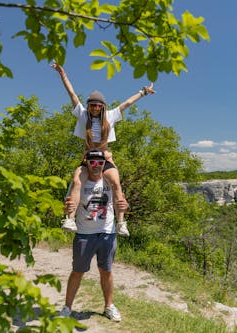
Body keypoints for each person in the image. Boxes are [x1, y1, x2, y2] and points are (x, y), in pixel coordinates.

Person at [52, 62, 155, 236]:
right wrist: (63, 74)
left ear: (102, 106)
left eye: (98, 105)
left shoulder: (109, 116)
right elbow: (72, 94)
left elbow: (127, 104)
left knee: (115, 182)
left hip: (104, 157)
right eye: (92, 105)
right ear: (89, 105)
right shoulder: (83, 115)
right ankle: (70, 219)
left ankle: (121, 222)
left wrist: (143, 92)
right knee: (77, 181)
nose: (95, 108)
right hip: (88, 158)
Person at [59, 149, 129, 321]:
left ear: (104, 164)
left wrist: (124, 206)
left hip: (107, 233)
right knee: (77, 271)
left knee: (106, 271)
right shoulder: (79, 183)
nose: (96, 166)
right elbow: (68, 205)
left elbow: (121, 202)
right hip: (85, 234)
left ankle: (109, 306)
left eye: (100, 162)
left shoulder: (110, 181)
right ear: (87, 163)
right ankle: (67, 308)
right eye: (92, 162)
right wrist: (67, 211)